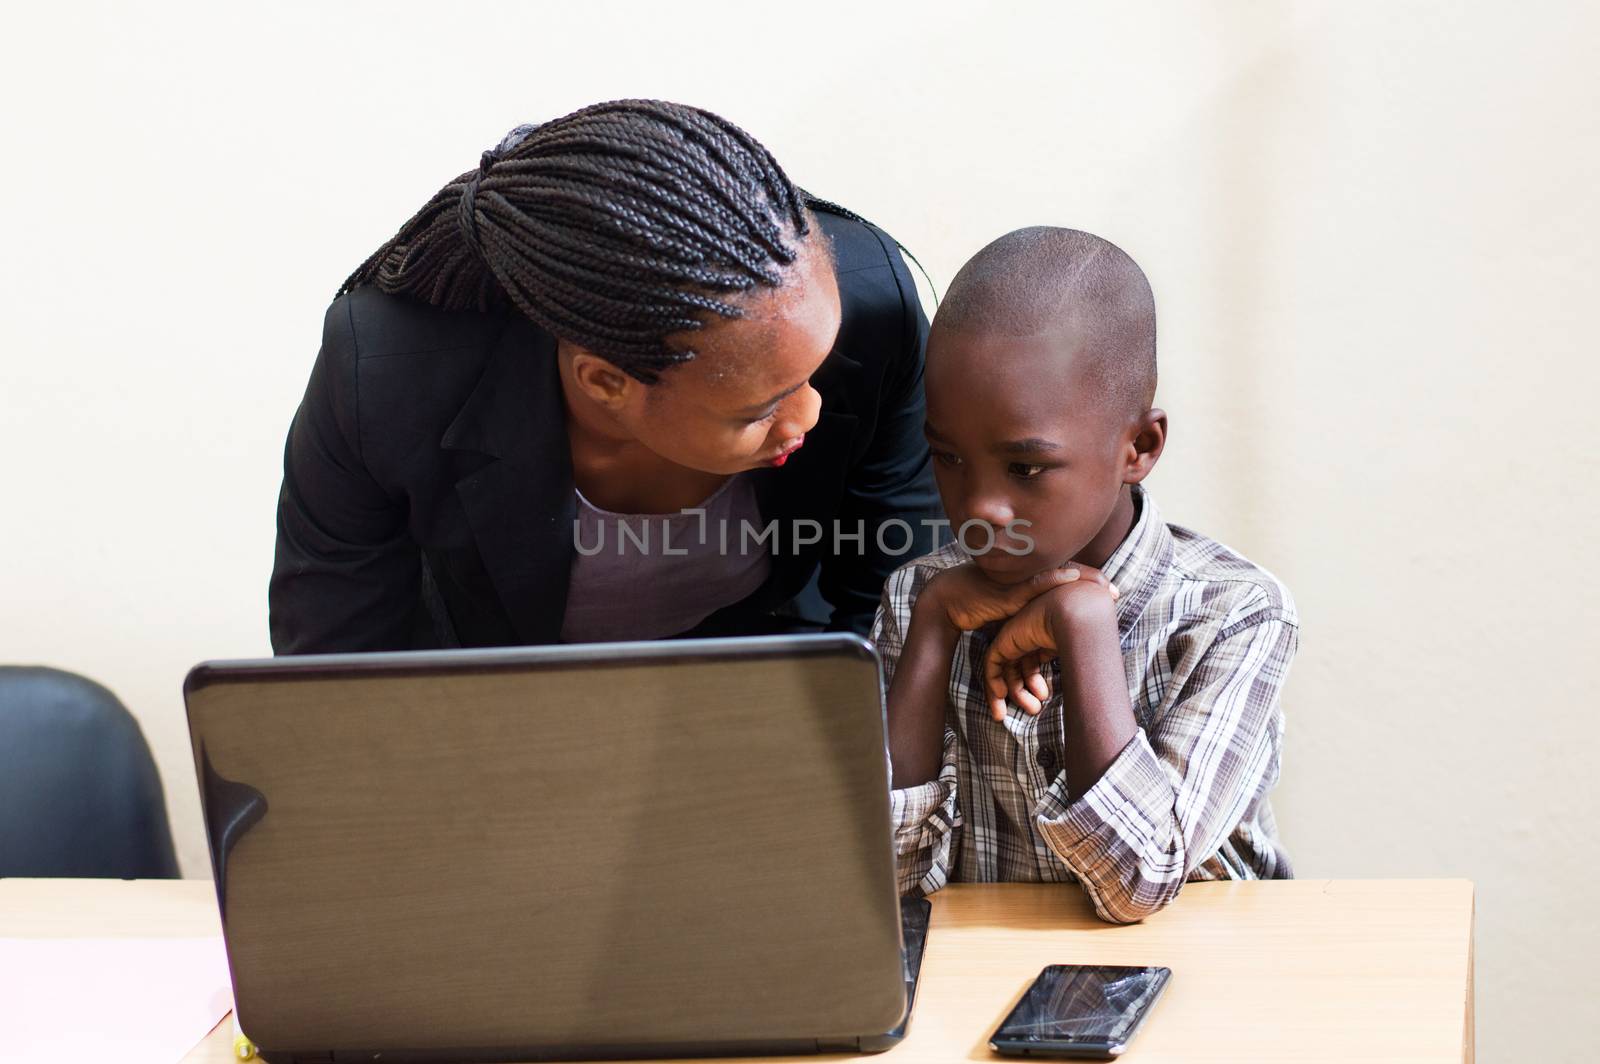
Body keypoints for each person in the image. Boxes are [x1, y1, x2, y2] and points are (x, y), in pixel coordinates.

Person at [269, 100, 941, 654]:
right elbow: (336, 680)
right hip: (492, 700)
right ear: (606, 382)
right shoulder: (387, 376)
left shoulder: (867, 306)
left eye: (814, 374)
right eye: (759, 410)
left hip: (771, 674)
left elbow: (896, 610)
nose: (809, 416)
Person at [876, 227, 1299, 924]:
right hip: (986, 987)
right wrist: (929, 628)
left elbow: (1136, 882)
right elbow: (879, 880)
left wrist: (1084, 624)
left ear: (1140, 447)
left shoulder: (1235, 614)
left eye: (1026, 468)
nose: (978, 505)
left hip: (1209, 984)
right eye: (947, 458)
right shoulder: (923, 599)